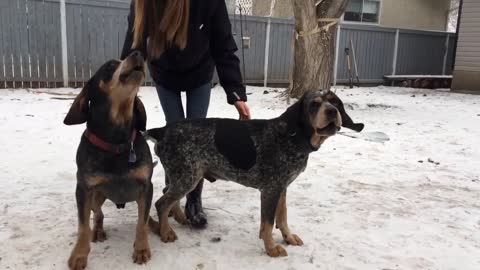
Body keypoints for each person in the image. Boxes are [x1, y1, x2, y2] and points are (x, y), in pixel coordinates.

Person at [121, 0, 251, 228]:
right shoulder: (144, 3)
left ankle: (193, 199)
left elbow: (224, 46)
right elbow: (134, 45)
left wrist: (236, 93)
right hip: (165, 73)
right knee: (177, 134)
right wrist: (124, 86)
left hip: (199, 74)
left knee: (197, 139)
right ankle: (173, 192)